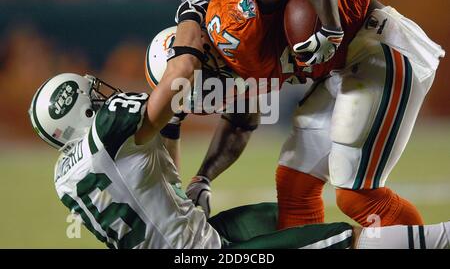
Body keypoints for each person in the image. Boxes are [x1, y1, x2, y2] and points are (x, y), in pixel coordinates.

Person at [148, 0, 445, 229]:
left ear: (198, 54)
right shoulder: (231, 63)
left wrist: (330, 27)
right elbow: (240, 124)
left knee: (358, 195)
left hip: (378, 47)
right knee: (295, 184)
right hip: (345, 67)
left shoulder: (234, 21)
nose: (211, 101)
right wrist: (203, 177)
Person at [29, 72, 450, 249]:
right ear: (82, 111)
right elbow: (176, 82)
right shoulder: (110, 128)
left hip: (192, 239)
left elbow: (157, 188)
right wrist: (188, 34)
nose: (103, 95)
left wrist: (194, 182)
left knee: (283, 217)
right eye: (93, 96)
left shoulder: (65, 176)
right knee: (343, 238)